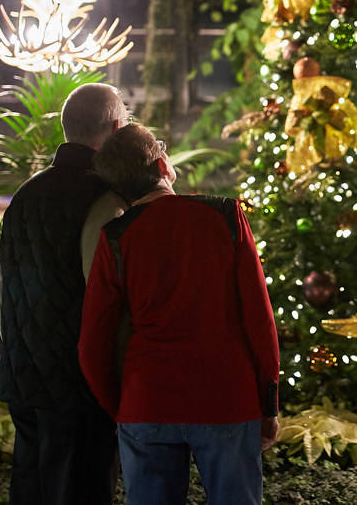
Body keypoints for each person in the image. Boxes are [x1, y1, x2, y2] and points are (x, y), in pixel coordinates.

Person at [79, 123, 279, 505]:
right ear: (162, 166)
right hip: (226, 399)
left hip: (147, 400)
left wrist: (120, 407)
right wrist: (268, 403)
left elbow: (92, 343)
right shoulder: (226, 216)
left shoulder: (115, 237)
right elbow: (260, 320)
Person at [0, 83, 130, 505]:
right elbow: (104, 298)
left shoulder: (24, 195)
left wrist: (23, 347)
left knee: (31, 489)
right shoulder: (104, 197)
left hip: (23, 378)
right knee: (81, 490)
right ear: (115, 128)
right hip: (79, 386)